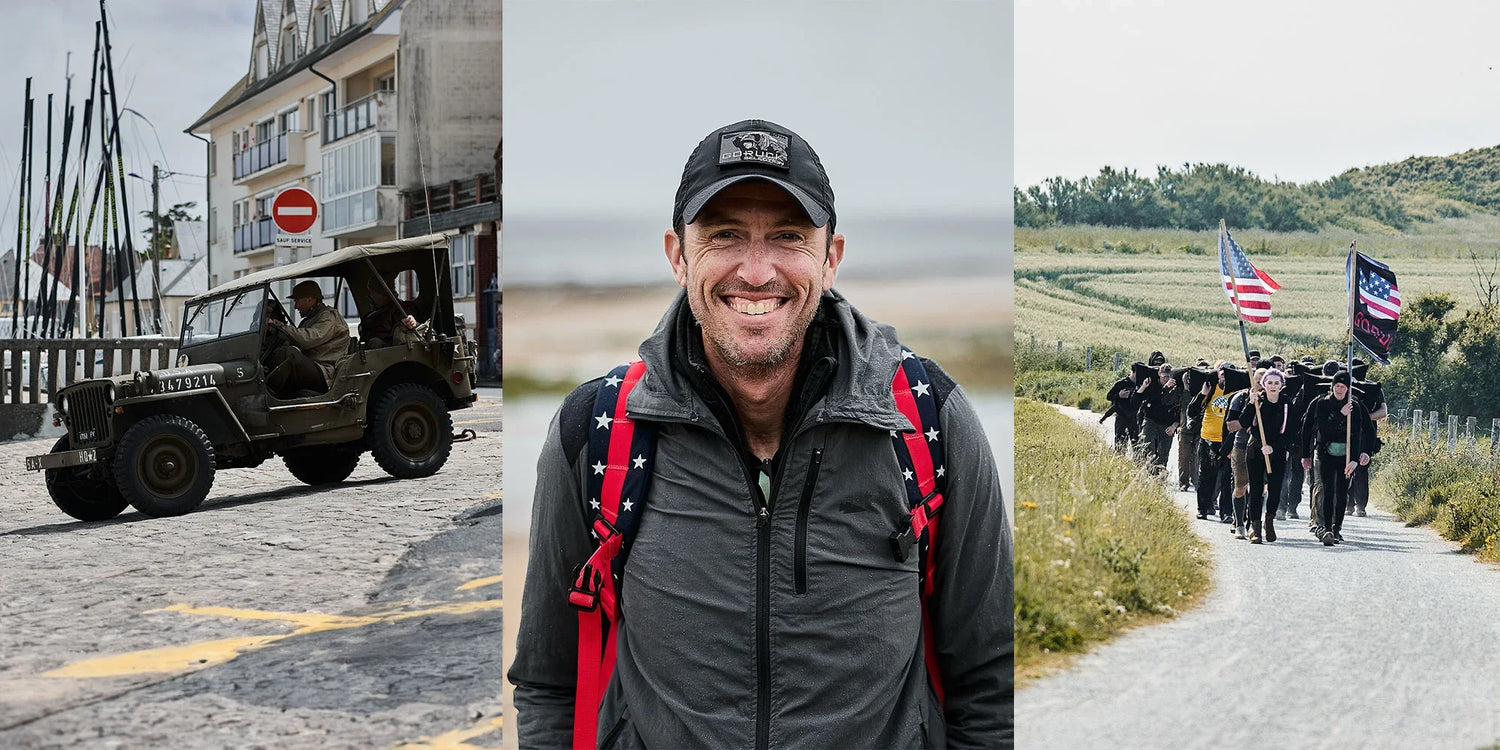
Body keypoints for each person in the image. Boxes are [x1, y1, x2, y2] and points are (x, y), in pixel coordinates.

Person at [508, 119, 1012, 749]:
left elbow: (993, 682)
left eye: (788, 236)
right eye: (724, 235)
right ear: (677, 256)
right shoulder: (594, 433)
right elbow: (550, 686)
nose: (755, 271)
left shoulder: (929, 419)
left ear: (830, 259)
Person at [1300, 371, 1371, 545]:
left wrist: (1355, 458)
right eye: (1337, 386)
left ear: (1348, 389)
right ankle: (1327, 529)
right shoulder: (1322, 403)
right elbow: (1322, 430)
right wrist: (1341, 414)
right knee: (1327, 490)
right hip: (1326, 453)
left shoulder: (1355, 406)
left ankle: (1337, 528)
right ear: (1332, 386)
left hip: (1346, 456)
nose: (1339, 389)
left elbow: (1358, 434)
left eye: (1343, 387)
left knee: (1341, 492)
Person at [1229, 366, 1297, 543]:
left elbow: (1291, 432)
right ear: (1264, 384)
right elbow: (1243, 422)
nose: (1273, 386)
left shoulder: (1287, 403)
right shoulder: (1257, 401)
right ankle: (1255, 528)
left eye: (1276, 383)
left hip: (1277, 451)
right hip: (1256, 450)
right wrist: (1251, 404)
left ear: (1281, 385)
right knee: (1256, 489)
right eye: (1269, 383)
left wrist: (1274, 447)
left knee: (1275, 489)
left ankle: (1269, 521)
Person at [265, 280, 350, 397]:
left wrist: (279, 326)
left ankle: (266, 396)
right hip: (314, 367)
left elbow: (309, 339)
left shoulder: (329, 317)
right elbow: (295, 339)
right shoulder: (310, 319)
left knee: (287, 355)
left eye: (297, 301)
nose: (295, 306)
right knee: (278, 353)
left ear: (309, 300)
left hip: (326, 372)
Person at [1190, 362, 1239, 521]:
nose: (1225, 378)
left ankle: (1226, 513)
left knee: (1227, 478)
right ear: (1218, 375)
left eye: (1229, 375)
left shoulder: (1236, 393)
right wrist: (1203, 394)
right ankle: (1203, 509)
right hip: (1208, 439)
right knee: (1206, 476)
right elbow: (1192, 411)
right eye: (1223, 374)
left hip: (1228, 441)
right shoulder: (1210, 390)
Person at [1101, 362, 1150, 453]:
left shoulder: (1142, 385)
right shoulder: (1121, 383)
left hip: (1135, 418)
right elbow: (1109, 396)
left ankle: (1136, 461)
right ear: (1134, 372)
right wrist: (1119, 395)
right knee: (1120, 446)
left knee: (1137, 447)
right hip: (1122, 417)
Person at [360, 277, 420, 347]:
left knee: (375, 342)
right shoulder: (369, 316)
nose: (371, 296)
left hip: (393, 350)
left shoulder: (401, 308)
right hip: (371, 350)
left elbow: (410, 324)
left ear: (383, 294)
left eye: (373, 292)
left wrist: (411, 323)